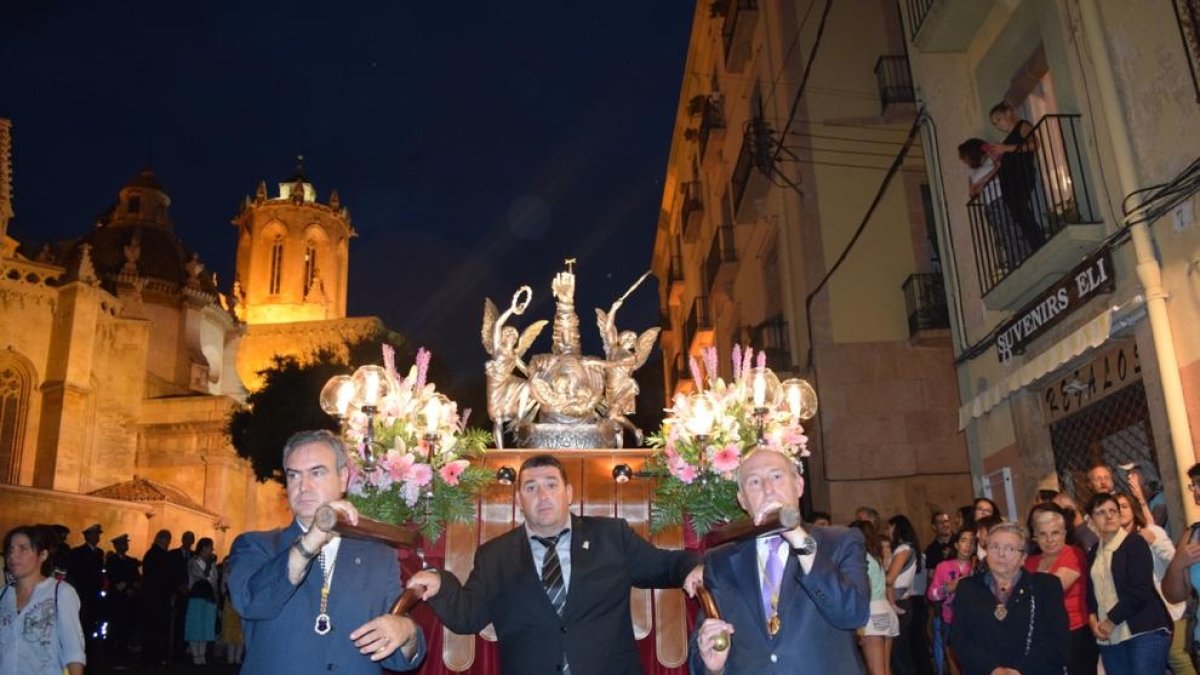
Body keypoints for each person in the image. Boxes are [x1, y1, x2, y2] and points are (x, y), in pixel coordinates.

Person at [410, 453, 702, 675]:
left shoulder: (612, 536)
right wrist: (438, 581)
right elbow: (468, 616)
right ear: (519, 501)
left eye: (551, 484)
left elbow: (664, 565)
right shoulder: (494, 556)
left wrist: (692, 566)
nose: (543, 495)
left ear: (569, 493)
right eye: (531, 488)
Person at [229, 429, 425, 674]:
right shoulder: (255, 546)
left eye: (317, 473)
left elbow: (394, 655)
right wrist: (310, 541)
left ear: (343, 478)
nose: (304, 486)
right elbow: (250, 603)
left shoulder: (378, 556)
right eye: (294, 476)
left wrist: (406, 633)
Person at [690, 448, 869, 674]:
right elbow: (700, 656)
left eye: (777, 476)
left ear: (799, 485)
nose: (768, 489)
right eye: (754, 482)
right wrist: (714, 668)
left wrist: (797, 536)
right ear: (742, 500)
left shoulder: (840, 542)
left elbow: (853, 614)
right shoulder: (720, 561)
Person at [949, 522, 1068, 674]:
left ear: (1023, 557)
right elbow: (960, 639)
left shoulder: (1045, 586)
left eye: (1010, 548)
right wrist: (994, 670)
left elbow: (1058, 639)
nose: (1001, 554)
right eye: (994, 547)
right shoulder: (967, 588)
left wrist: (1020, 671)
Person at [1084, 492, 1171, 674]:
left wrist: (1111, 620)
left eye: (1113, 511)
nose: (1109, 516)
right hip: (1110, 636)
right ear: (1091, 521)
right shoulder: (1093, 552)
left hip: (1143, 630)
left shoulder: (1134, 543)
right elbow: (1090, 592)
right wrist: (1093, 620)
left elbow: (1140, 589)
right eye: (1101, 512)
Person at [1114, 492, 1192, 675]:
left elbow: (1174, 561)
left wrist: (1154, 542)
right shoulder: (1114, 543)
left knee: (1177, 656)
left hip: (1169, 603)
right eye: (1116, 509)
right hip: (1141, 612)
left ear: (1133, 509)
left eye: (1124, 506)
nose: (1120, 512)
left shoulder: (1152, 531)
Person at [1, 525, 87, 675]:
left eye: (23, 548)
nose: (13, 556)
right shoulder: (3, 595)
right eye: (10, 549)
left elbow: (73, 650)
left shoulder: (60, 593)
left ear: (43, 555)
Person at [1025, 503, 1095, 675]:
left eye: (1055, 533)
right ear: (1035, 538)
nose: (1049, 540)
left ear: (1064, 534)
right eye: (1043, 534)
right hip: (1043, 637)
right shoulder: (1029, 562)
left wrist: (1025, 591)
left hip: (1075, 633)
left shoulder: (1073, 554)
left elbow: (1052, 590)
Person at [987, 101, 1045, 257]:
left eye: (998, 120)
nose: (998, 125)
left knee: (1020, 210)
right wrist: (998, 158)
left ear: (1008, 113)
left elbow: (1034, 144)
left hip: (1021, 175)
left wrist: (1005, 149)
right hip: (1009, 180)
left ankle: (1039, 243)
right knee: (1017, 214)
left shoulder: (1022, 126)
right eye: (994, 124)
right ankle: (1034, 244)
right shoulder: (1005, 142)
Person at [1162, 463, 1200, 661]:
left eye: (1198, 483)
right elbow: (1173, 595)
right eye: (1193, 484)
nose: (1195, 490)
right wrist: (1179, 563)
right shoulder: (1192, 534)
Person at [886, 515, 932, 675]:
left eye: (889, 527)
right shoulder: (913, 548)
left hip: (899, 601)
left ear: (896, 528)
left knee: (901, 652)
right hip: (908, 600)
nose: (888, 532)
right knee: (910, 648)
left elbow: (890, 578)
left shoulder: (903, 549)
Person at [927, 527, 976, 675]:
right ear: (956, 544)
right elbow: (932, 594)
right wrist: (947, 588)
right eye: (963, 540)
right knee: (953, 660)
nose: (967, 545)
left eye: (972, 542)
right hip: (950, 620)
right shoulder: (943, 567)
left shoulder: (978, 568)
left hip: (974, 620)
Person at [851, 520, 897, 675]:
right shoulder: (876, 558)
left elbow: (865, 591)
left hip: (870, 614)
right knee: (885, 669)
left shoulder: (862, 560)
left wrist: (859, 626)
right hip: (885, 610)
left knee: (876, 671)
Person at [67, 522, 105, 665]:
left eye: (98, 534)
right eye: (94, 534)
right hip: (83, 594)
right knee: (83, 624)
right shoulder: (78, 552)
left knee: (94, 624)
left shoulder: (99, 553)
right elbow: (77, 574)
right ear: (87, 536)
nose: (97, 537)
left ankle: (93, 652)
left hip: (96, 594)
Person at [924, 512, 954, 675]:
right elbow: (930, 576)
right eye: (940, 522)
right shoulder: (931, 549)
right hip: (941, 601)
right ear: (933, 527)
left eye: (947, 521)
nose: (945, 524)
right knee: (940, 637)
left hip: (961, 601)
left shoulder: (959, 541)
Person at [105, 533, 140, 662]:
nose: (126, 545)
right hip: (117, 599)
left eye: (126, 543)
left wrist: (134, 588)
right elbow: (115, 578)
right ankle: (112, 653)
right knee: (115, 626)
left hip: (129, 600)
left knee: (127, 626)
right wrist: (127, 587)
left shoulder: (130, 561)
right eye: (123, 543)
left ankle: (123, 651)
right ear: (116, 546)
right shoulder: (112, 560)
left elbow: (136, 577)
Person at [140, 529, 174, 666]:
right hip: (157, 598)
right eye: (167, 541)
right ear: (161, 540)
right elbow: (161, 577)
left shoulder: (152, 554)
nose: (168, 544)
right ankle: (154, 656)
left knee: (154, 628)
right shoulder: (158, 555)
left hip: (154, 597)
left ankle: (152, 655)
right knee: (156, 628)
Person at [184, 537, 218, 664]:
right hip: (197, 595)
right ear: (203, 547)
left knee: (206, 625)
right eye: (210, 547)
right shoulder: (194, 561)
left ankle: (202, 654)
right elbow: (201, 576)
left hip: (209, 596)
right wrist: (209, 564)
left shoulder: (212, 564)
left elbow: (214, 581)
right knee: (195, 625)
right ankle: (195, 654)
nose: (211, 550)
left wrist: (216, 597)